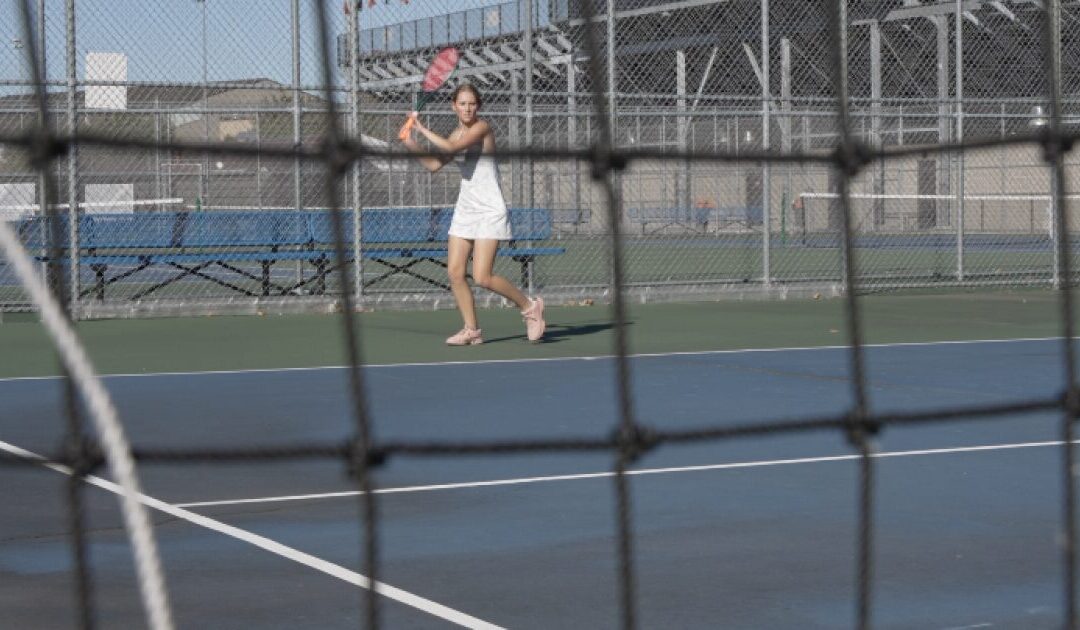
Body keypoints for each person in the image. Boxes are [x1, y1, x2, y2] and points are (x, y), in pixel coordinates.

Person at [400, 83, 545, 345]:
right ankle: (471, 330)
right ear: (453, 106)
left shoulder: (482, 128)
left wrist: (421, 128)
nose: (467, 108)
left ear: (478, 106)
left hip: (490, 210)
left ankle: (529, 307)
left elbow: (451, 149)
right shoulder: (455, 133)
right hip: (466, 209)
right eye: (462, 104)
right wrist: (410, 142)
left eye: (472, 103)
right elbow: (433, 164)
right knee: (455, 273)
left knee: (482, 277)